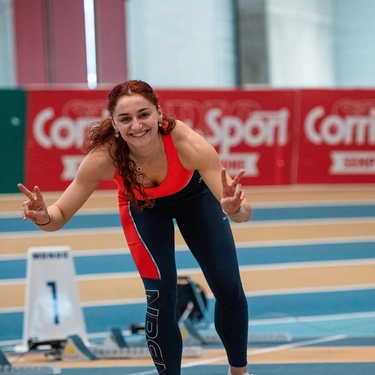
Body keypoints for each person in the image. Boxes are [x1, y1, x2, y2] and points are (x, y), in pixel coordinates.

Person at [18, 80, 253, 375]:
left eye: (143, 114)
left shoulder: (188, 145)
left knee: (228, 287)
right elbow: (59, 216)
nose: (137, 125)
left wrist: (233, 209)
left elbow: (243, 213)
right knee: (160, 298)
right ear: (114, 123)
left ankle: (239, 371)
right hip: (143, 208)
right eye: (125, 119)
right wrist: (41, 215)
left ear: (158, 112)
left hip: (195, 199)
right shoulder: (104, 158)